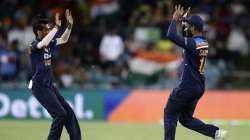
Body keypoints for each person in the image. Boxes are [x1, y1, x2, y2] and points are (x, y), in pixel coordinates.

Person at [164, 5, 227, 140]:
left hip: (188, 86)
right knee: (185, 119)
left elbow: (171, 35)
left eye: (188, 26)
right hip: (198, 87)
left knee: (169, 112)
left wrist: (175, 20)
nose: (186, 28)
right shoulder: (202, 42)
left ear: (193, 28)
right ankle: (215, 133)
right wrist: (185, 20)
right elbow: (188, 34)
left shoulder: (192, 44)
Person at [28, 10, 82, 140]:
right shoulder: (33, 45)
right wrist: (56, 27)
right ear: (39, 32)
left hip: (49, 86)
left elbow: (64, 39)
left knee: (68, 112)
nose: (49, 31)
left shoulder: (48, 44)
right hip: (40, 87)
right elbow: (43, 43)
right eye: (46, 29)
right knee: (60, 114)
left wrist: (69, 25)